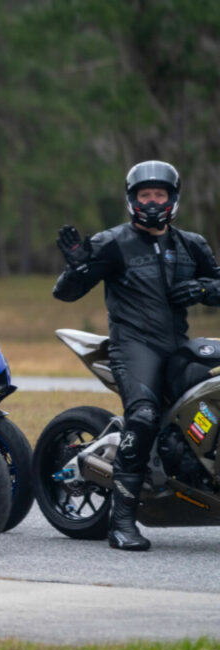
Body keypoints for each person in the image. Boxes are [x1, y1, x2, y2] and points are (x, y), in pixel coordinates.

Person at [53, 160, 220, 551]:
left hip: (178, 346)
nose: (152, 201)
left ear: (172, 199)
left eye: (159, 194)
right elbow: (65, 293)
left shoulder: (190, 244)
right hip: (132, 346)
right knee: (143, 415)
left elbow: (218, 282)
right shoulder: (112, 242)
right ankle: (122, 521)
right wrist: (76, 268)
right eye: (145, 195)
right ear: (132, 199)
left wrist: (201, 291)